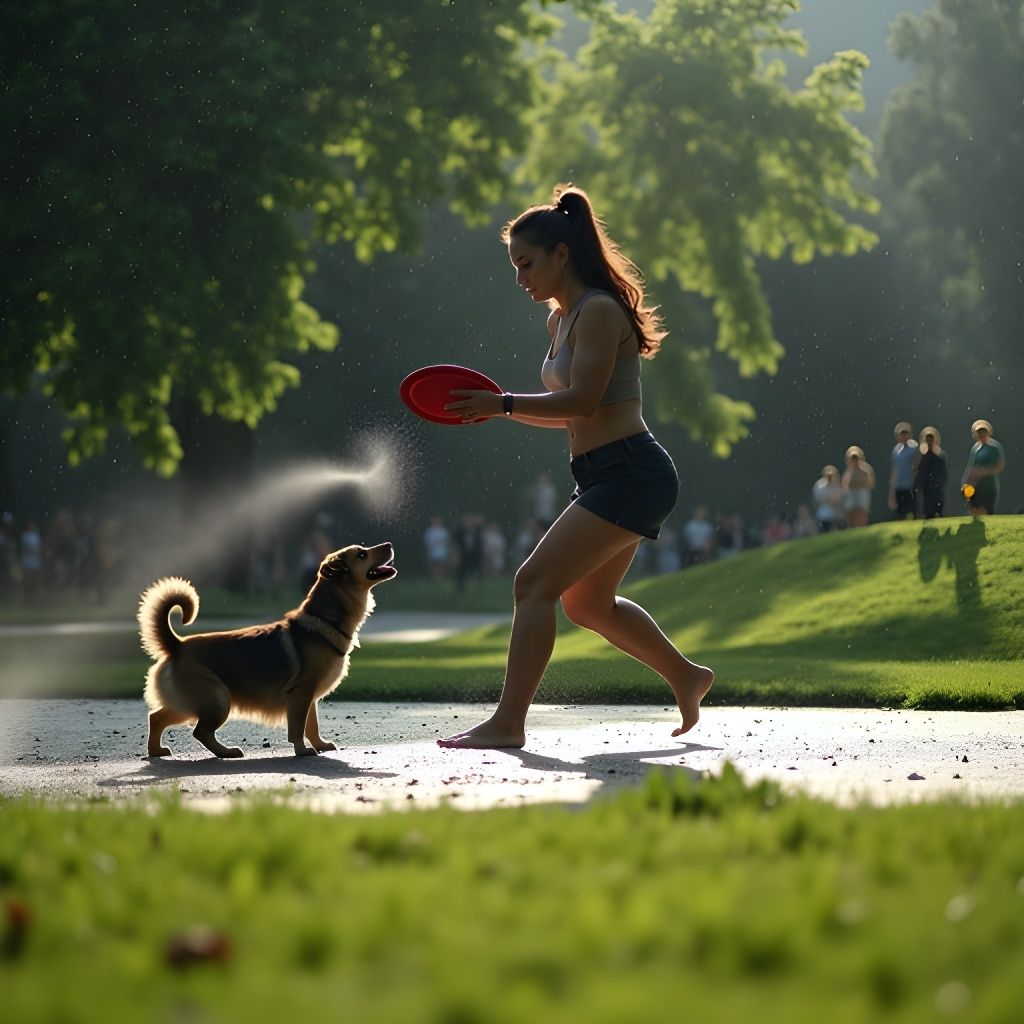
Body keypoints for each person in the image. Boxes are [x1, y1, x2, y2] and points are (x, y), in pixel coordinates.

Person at [439, 183, 713, 748]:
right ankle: (688, 676)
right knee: (585, 602)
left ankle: (508, 723)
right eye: (514, 267)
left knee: (532, 584)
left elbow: (585, 400)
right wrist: (502, 413)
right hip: (602, 475)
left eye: (527, 264)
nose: (520, 279)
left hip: (631, 471)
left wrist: (505, 404)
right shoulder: (558, 321)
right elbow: (570, 418)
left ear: (562, 254)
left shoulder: (599, 310)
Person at [960, 419, 1005, 516]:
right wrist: (965, 481)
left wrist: (984, 471)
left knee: (987, 511)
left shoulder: (994, 448)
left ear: (988, 432)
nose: (981, 434)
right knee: (974, 509)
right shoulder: (975, 449)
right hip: (977, 485)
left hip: (990, 485)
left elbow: (1000, 466)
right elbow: (971, 467)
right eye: (979, 432)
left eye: (983, 431)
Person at [913, 426, 948, 519]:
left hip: (937, 485)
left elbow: (943, 471)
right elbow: (918, 469)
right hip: (926, 486)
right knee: (928, 510)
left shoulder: (940, 455)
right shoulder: (922, 455)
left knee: (938, 508)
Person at [888, 421, 918, 520]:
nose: (904, 436)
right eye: (902, 434)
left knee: (913, 510)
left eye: (906, 434)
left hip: (910, 485)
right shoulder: (896, 450)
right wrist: (892, 490)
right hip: (899, 485)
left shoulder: (914, 448)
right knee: (901, 512)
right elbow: (895, 470)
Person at [841, 446, 875, 528]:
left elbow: (871, 483)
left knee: (862, 513)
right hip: (851, 495)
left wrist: (857, 484)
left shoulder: (866, 469)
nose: (854, 460)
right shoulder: (848, 471)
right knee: (852, 514)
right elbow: (844, 485)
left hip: (862, 494)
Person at [812, 465, 844, 532]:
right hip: (823, 514)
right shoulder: (819, 485)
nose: (829, 477)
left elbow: (840, 498)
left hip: (837, 514)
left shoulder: (838, 486)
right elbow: (818, 499)